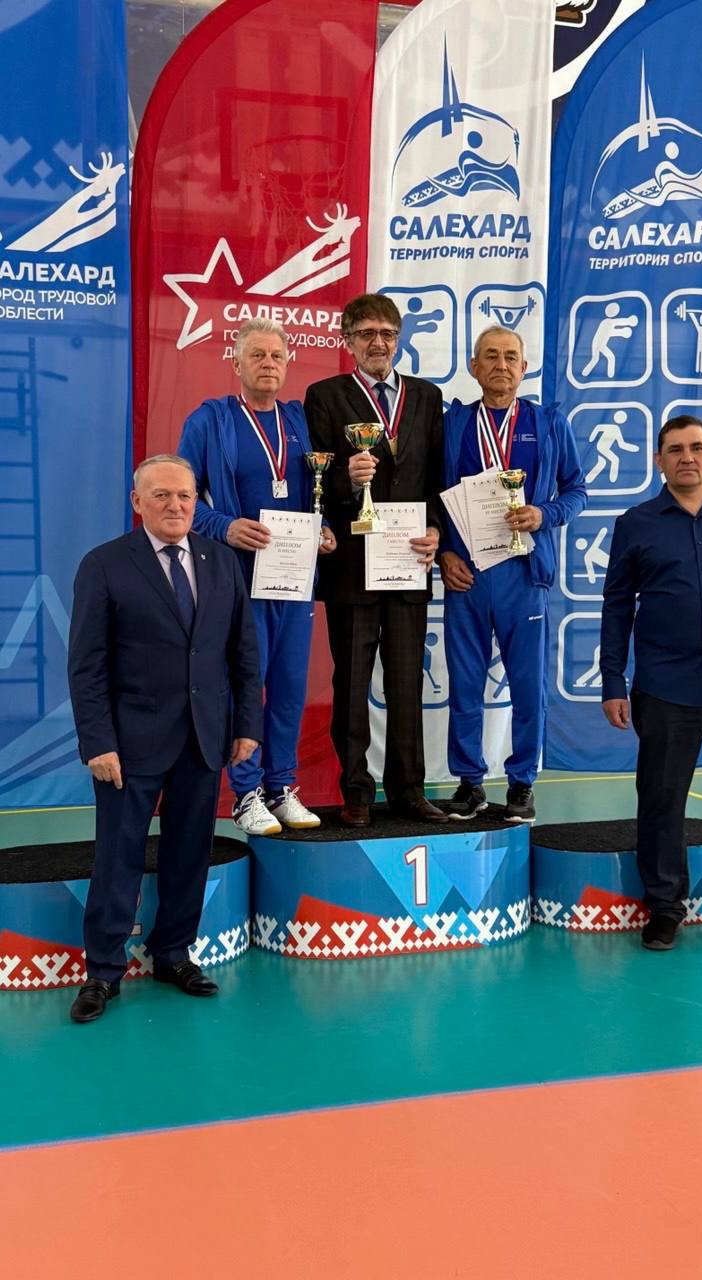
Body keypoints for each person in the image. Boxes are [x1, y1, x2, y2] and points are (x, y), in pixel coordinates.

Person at [67, 456, 263, 1022]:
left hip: (204, 737)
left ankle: (173, 954)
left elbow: (243, 652)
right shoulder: (104, 564)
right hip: (127, 744)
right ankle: (103, 972)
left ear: (196, 501)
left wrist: (247, 725)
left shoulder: (221, 560)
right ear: (137, 503)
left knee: (189, 854)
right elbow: (86, 665)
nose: (175, 505)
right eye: (161, 496)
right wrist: (97, 742)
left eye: (184, 495)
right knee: (117, 856)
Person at [178, 320, 336, 836]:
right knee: (246, 686)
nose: (268, 363)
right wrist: (224, 526)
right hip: (238, 581)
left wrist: (323, 530)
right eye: (257, 355)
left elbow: (313, 494)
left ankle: (281, 786)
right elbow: (182, 500)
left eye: (276, 355)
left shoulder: (298, 421)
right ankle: (245, 792)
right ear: (237, 363)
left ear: (288, 364)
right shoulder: (210, 420)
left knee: (289, 687)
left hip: (293, 578)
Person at [304, 292, 446, 827]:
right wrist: (346, 478)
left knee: (407, 683)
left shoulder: (427, 396)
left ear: (399, 338)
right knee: (352, 684)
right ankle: (357, 792)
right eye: (366, 334)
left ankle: (409, 790)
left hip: (408, 561)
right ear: (348, 341)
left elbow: (436, 477)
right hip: (352, 565)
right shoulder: (325, 396)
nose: (378, 343)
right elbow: (314, 478)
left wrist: (435, 530)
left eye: (386, 333)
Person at [440, 325, 587, 823]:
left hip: (524, 573)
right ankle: (469, 783)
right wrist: (444, 554)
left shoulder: (548, 423)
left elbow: (577, 491)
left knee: (527, 686)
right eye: (490, 356)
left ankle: (522, 782)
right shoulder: (454, 425)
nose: (500, 365)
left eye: (510, 357)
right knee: (464, 683)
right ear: (473, 366)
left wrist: (544, 514)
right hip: (467, 574)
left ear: (524, 368)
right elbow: (432, 494)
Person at [600, 415, 702, 950]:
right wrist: (612, 679)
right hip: (667, 683)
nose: (686, 457)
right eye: (675, 449)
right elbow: (617, 604)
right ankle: (666, 908)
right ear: (658, 461)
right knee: (662, 800)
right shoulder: (636, 523)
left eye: (697, 447)